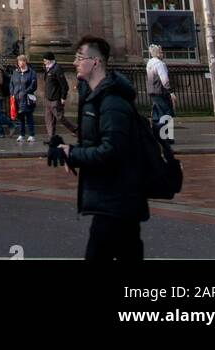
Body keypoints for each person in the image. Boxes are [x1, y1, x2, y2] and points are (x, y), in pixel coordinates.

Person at [54, 35, 149, 262]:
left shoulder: (111, 101)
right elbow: (100, 143)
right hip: (113, 202)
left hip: (117, 202)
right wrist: (72, 153)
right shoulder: (96, 98)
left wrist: (72, 154)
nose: (74, 62)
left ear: (95, 62)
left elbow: (112, 151)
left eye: (79, 58)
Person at [145, 44, 176, 142]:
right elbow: (164, 80)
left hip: (152, 91)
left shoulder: (149, 63)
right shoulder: (160, 64)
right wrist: (171, 92)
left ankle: (158, 135)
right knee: (167, 113)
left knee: (157, 114)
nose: (163, 53)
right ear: (158, 53)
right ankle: (165, 137)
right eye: (161, 51)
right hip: (161, 91)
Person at [43, 52, 76, 139]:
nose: (44, 62)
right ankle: (52, 138)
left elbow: (64, 85)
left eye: (45, 60)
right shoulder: (47, 68)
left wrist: (63, 97)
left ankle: (75, 130)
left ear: (50, 60)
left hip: (55, 99)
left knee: (60, 117)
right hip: (48, 99)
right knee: (49, 120)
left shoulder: (57, 69)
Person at [11, 54, 37, 143]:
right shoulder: (15, 72)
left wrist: (25, 92)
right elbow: (12, 83)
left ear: (25, 62)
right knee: (20, 117)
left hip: (27, 98)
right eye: (18, 61)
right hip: (17, 98)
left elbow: (34, 85)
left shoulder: (31, 72)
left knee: (29, 117)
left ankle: (31, 135)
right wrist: (12, 93)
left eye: (22, 61)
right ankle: (21, 135)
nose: (20, 63)